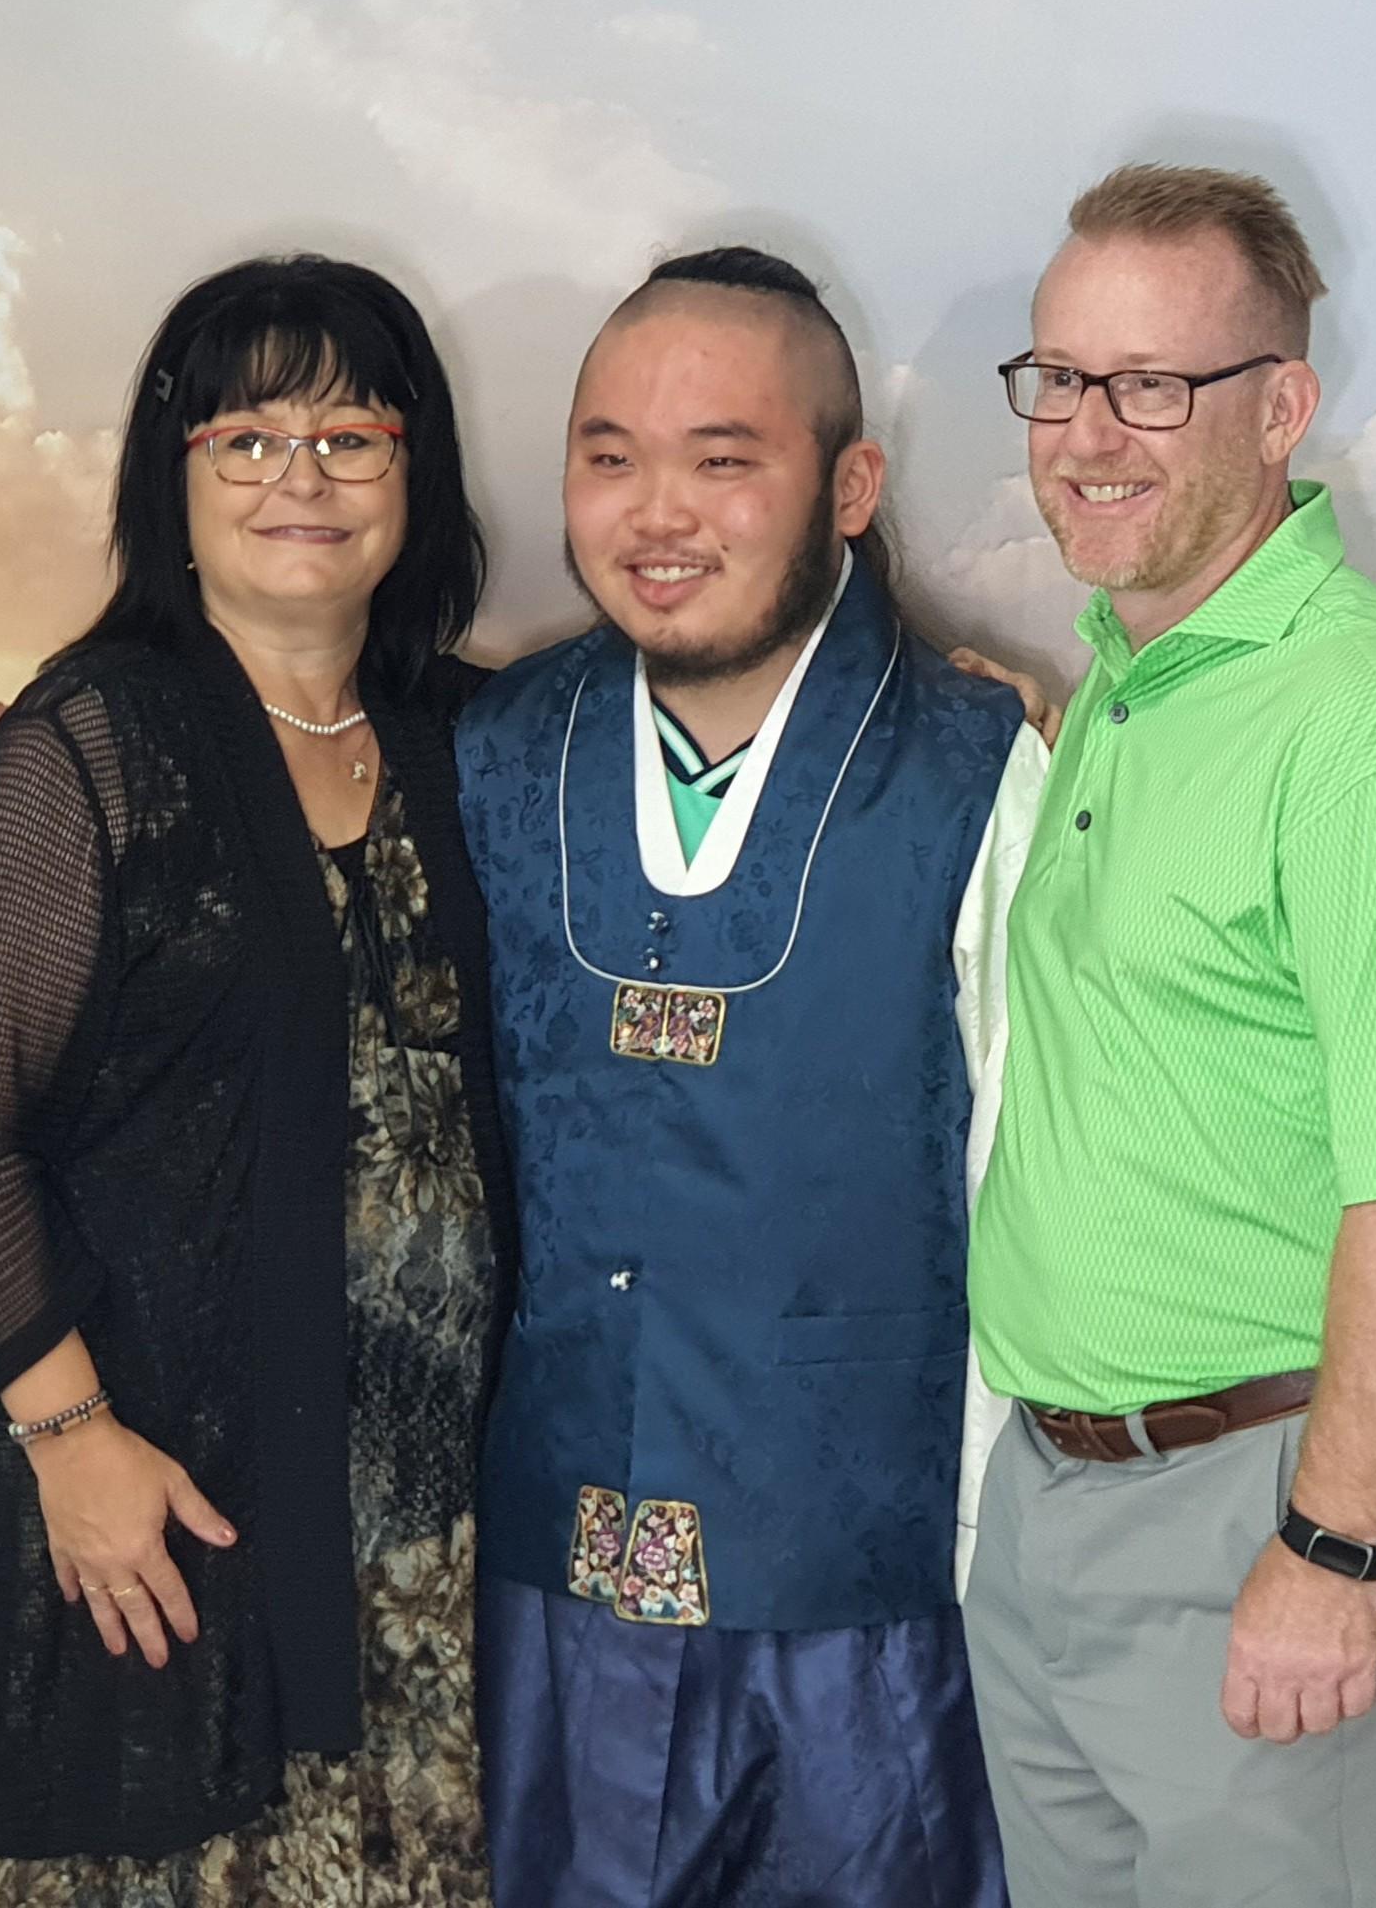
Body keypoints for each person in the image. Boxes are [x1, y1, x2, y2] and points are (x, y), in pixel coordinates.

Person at [0, 254, 511, 1900]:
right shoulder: (94, 746)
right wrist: (69, 1437)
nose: (301, 476)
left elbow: (709, 710)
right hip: (166, 1537)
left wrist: (932, 678)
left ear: (416, 471)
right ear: (174, 479)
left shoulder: (478, 739)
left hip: (440, 1590)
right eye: (246, 438)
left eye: (349, 436)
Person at [964, 167, 1376, 1907]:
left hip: (1274, 1506)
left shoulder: (1374, 726)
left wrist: (1331, 1545)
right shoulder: (1128, 680)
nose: (1087, 433)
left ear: (1284, 408)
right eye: (1060, 377)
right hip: (1052, 1504)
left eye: (1153, 384)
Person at [453, 246, 1039, 1907]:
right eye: (610, 456)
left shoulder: (974, 767)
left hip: (868, 1615)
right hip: (550, 1597)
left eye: (723, 460)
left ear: (849, 488)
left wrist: (999, 1571)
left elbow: (1026, 1176)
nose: (659, 513)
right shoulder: (492, 754)